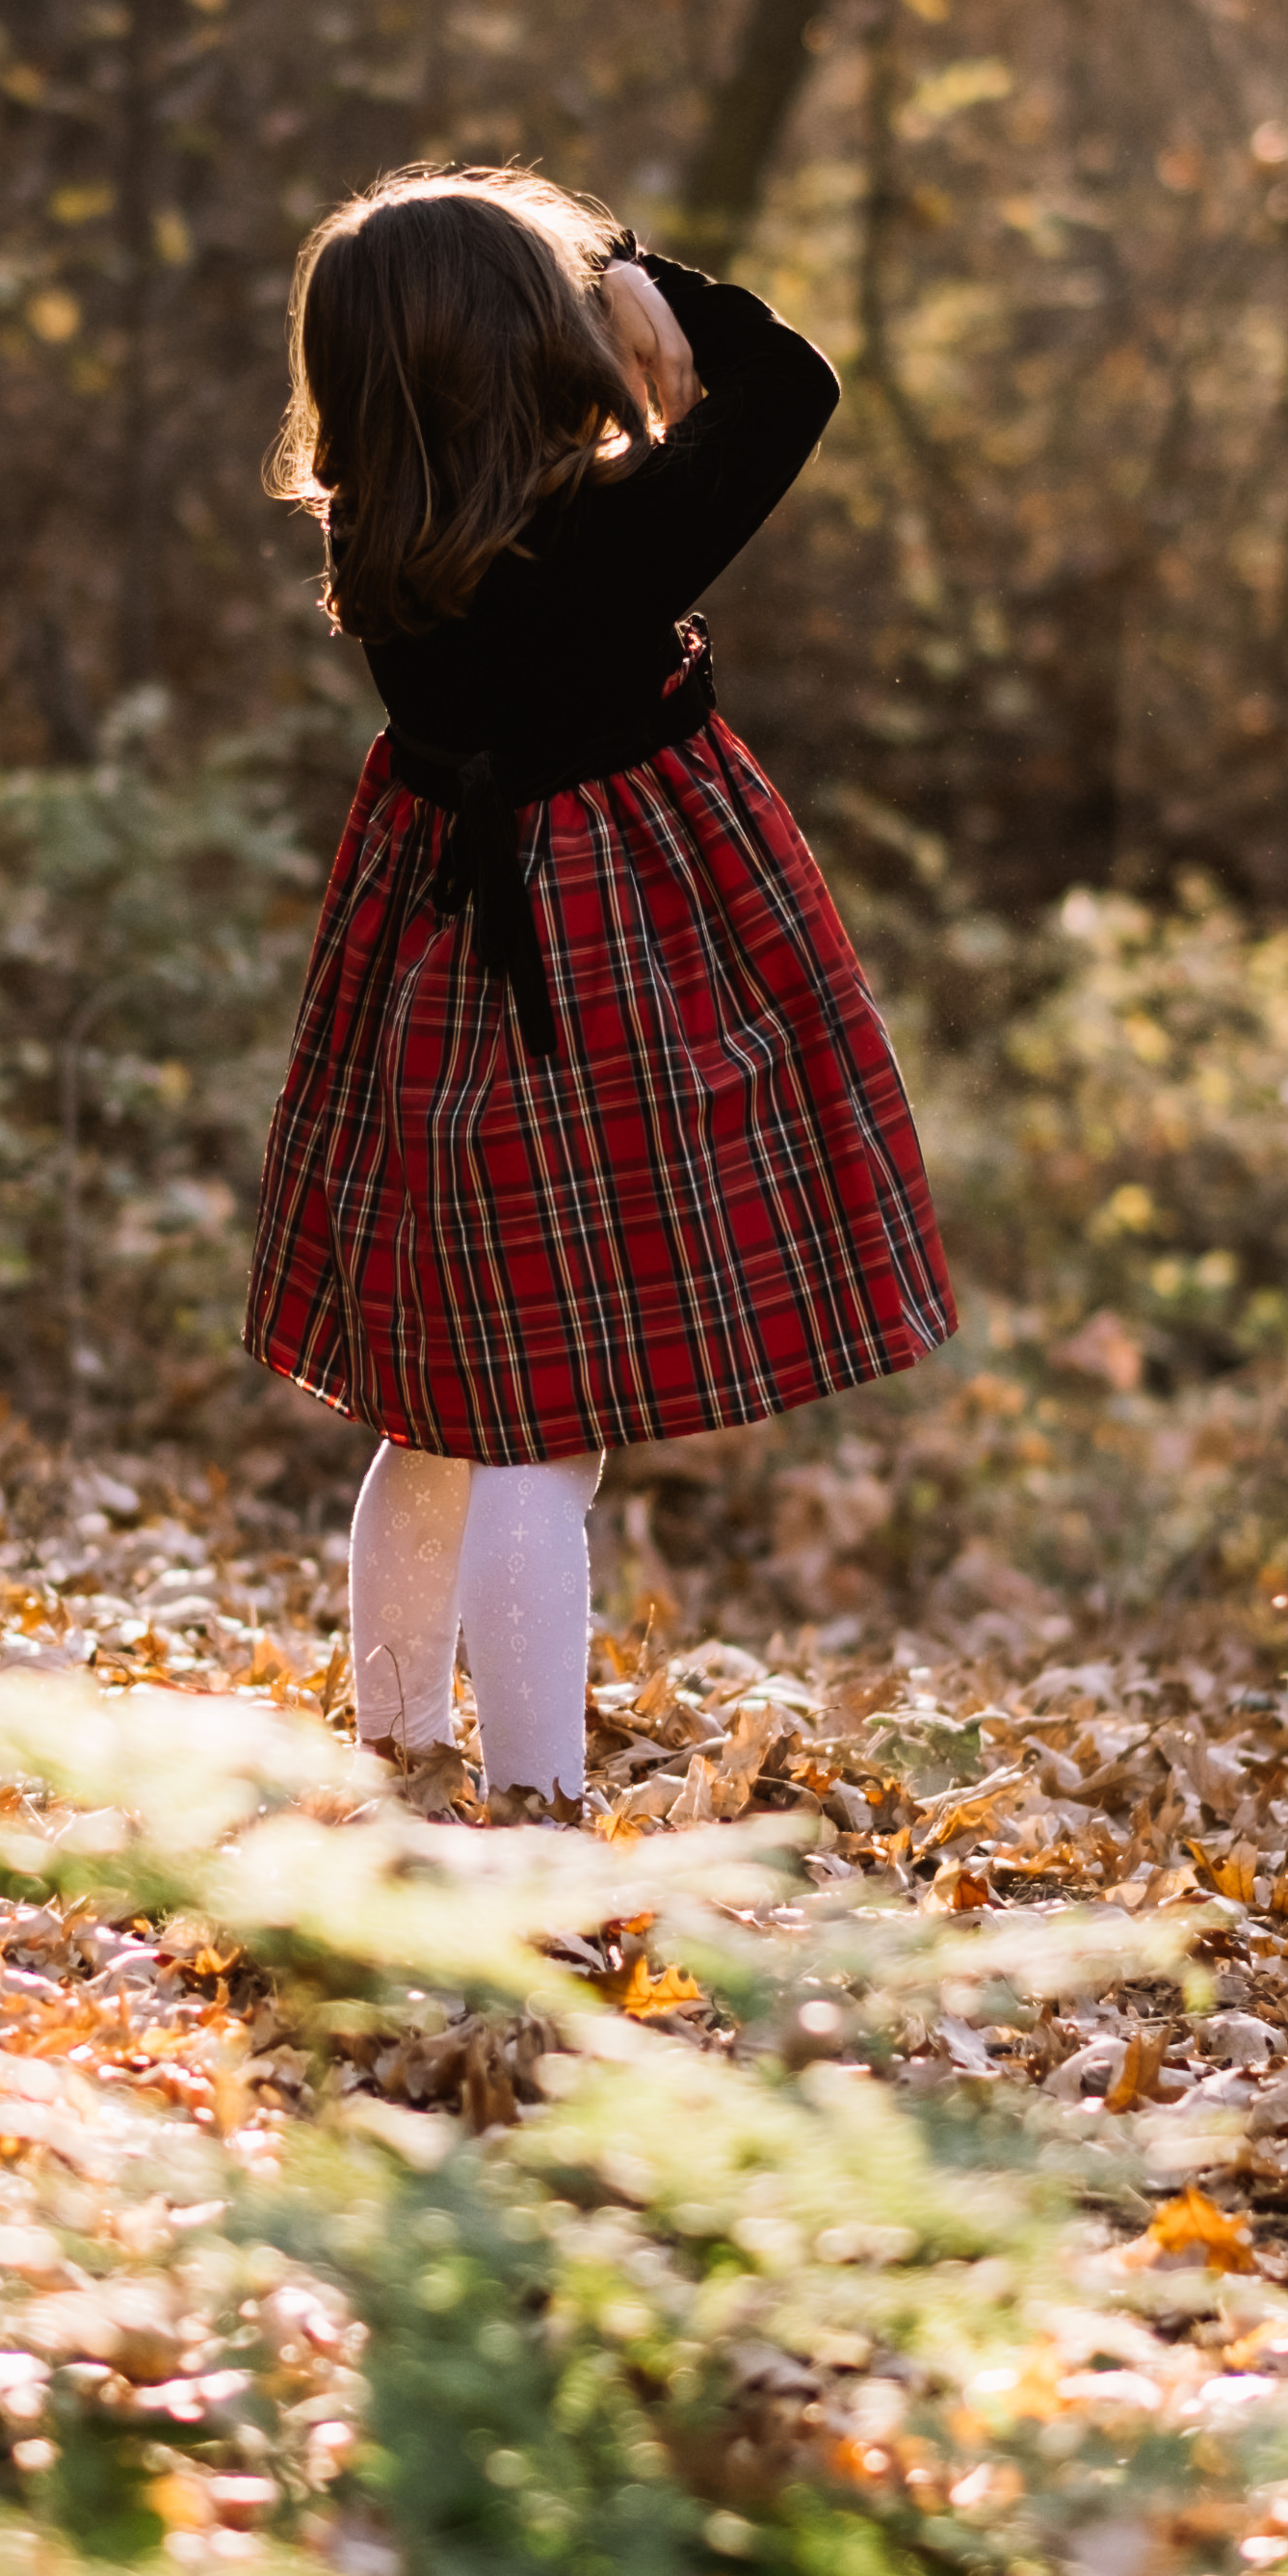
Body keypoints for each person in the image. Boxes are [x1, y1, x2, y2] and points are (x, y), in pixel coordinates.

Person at [245, 162, 955, 1822]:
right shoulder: (606, 544)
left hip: (431, 981)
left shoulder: (385, 537)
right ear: (532, 349)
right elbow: (793, 383)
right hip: (602, 977)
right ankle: (542, 1809)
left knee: (435, 1411)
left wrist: (577, 296)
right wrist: (638, 272)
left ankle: (400, 1755)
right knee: (545, 1440)